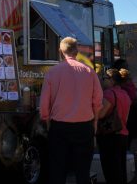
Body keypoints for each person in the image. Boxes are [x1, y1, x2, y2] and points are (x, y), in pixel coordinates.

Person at [40, 37, 103, 184]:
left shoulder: (52, 73)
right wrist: (95, 123)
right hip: (84, 127)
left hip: (59, 128)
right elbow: (98, 101)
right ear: (77, 50)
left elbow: (44, 104)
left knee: (58, 170)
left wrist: (47, 121)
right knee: (83, 172)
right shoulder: (89, 71)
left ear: (60, 52)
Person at [97, 68, 132, 184]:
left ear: (111, 80)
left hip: (110, 137)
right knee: (120, 170)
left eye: (104, 78)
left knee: (111, 171)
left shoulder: (108, 94)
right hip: (123, 135)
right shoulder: (124, 94)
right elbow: (125, 118)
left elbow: (100, 114)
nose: (102, 81)